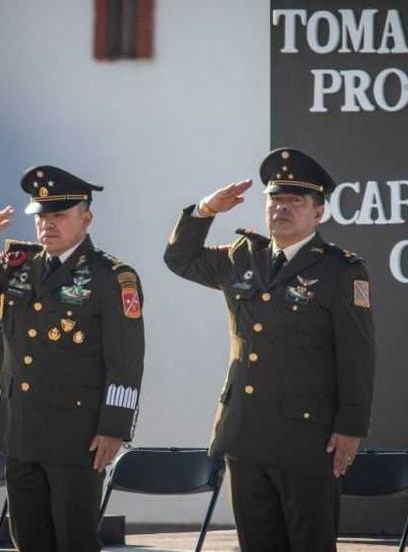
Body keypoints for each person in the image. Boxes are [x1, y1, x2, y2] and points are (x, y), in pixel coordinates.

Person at [163, 148, 375, 551]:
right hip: (245, 433)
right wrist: (206, 210)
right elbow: (180, 258)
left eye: (295, 201)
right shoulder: (243, 257)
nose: (282, 208)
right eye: (276, 200)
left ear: (319, 213)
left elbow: (358, 355)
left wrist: (351, 427)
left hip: (307, 439)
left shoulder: (340, 270)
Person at [0, 165, 144, 552]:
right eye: (42, 216)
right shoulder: (16, 267)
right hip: (19, 431)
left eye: (59, 216)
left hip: (77, 436)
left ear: (87, 218)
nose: (48, 225)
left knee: (73, 540)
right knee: (29, 540)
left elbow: (127, 361)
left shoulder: (110, 278)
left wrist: (114, 427)